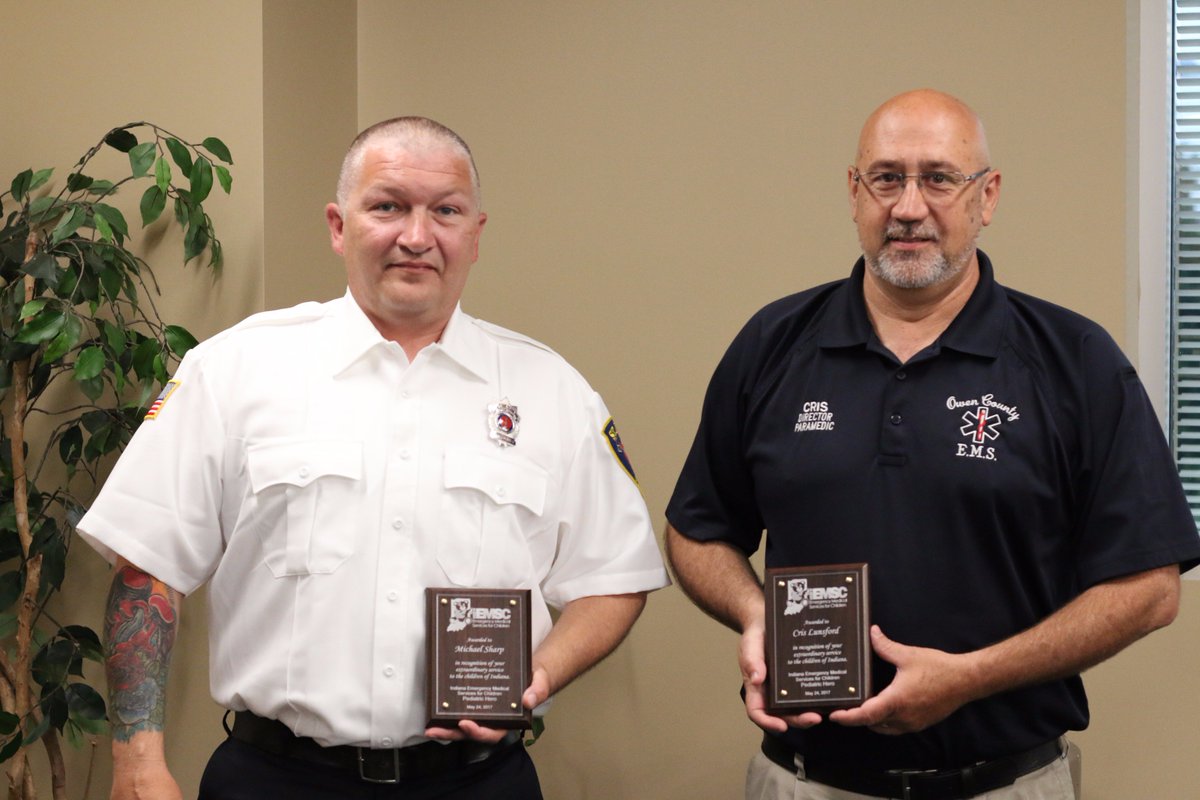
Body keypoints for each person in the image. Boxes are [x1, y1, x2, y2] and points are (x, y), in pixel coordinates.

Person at [79, 116, 670, 800]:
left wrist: (539, 674)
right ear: (339, 226)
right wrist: (137, 762)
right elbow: (146, 567)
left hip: (479, 782)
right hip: (276, 779)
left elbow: (612, 577)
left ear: (476, 234)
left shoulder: (552, 391)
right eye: (388, 206)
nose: (417, 236)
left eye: (445, 211)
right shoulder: (235, 369)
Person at [665, 89, 1200, 800]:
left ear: (988, 196)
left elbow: (1150, 590)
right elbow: (696, 531)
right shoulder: (773, 344)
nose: (909, 207)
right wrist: (759, 615)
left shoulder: (1075, 359)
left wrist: (970, 677)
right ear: (854, 193)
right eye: (886, 178)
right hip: (804, 782)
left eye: (940, 179)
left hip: (1006, 784)